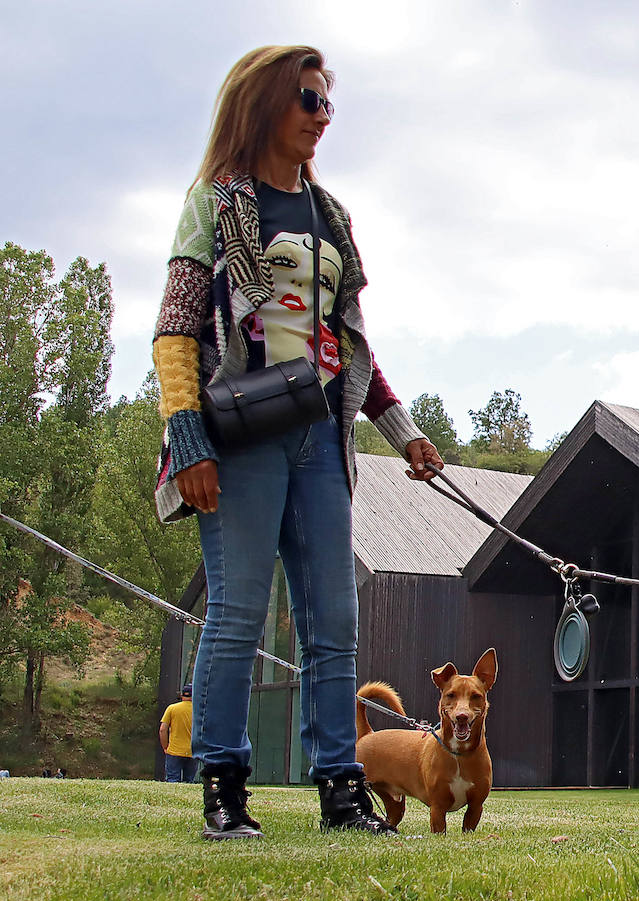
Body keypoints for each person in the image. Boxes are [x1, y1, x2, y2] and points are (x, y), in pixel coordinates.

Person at [151, 45, 441, 840]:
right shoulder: (216, 202)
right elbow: (176, 331)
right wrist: (188, 444)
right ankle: (224, 788)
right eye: (308, 101)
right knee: (237, 615)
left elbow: (349, 344)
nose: (322, 117)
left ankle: (340, 792)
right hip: (238, 434)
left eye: (327, 105)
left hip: (320, 438)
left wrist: (405, 432)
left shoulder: (331, 216)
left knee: (332, 622)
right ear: (266, 102)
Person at [160, 684, 198, 783]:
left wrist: (165, 747)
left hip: (174, 751)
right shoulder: (198, 710)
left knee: (172, 780)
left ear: (182, 695)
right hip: (192, 751)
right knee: (189, 782)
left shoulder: (172, 708)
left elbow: (162, 730)